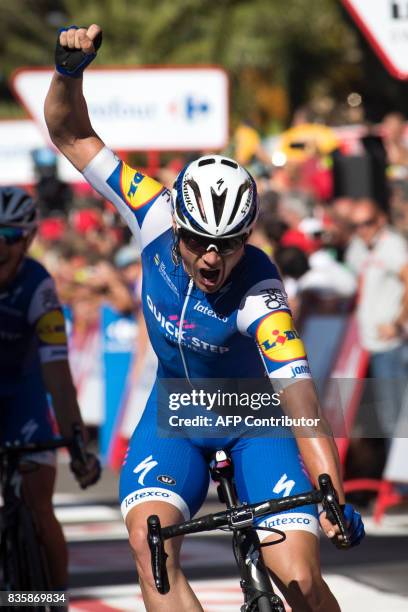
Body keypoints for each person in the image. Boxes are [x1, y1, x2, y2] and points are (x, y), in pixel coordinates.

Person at [44, 24, 364, 612]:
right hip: (176, 413)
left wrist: (330, 493)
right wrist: (68, 72)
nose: (213, 258)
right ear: (179, 225)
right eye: (199, 243)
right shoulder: (151, 207)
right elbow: (71, 132)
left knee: (297, 576)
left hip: (254, 418)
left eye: (230, 244)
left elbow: (302, 400)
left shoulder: (261, 293)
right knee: (149, 544)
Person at [0, 185, 101, 597]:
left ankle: (54, 597)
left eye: (7, 238)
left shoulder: (39, 286)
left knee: (40, 508)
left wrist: (76, 442)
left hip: (23, 396)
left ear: (27, 241)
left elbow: (57, 373)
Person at [346, 197, 408, 438]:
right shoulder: (358, 246)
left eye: (367, 223)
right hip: (364, 343)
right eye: (356, 225)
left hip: (388, 344)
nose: (361, 230)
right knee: (376, 418)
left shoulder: (391, 245)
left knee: (395, 417)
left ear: (380, 220)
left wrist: (398, 322)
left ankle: (400, 473)